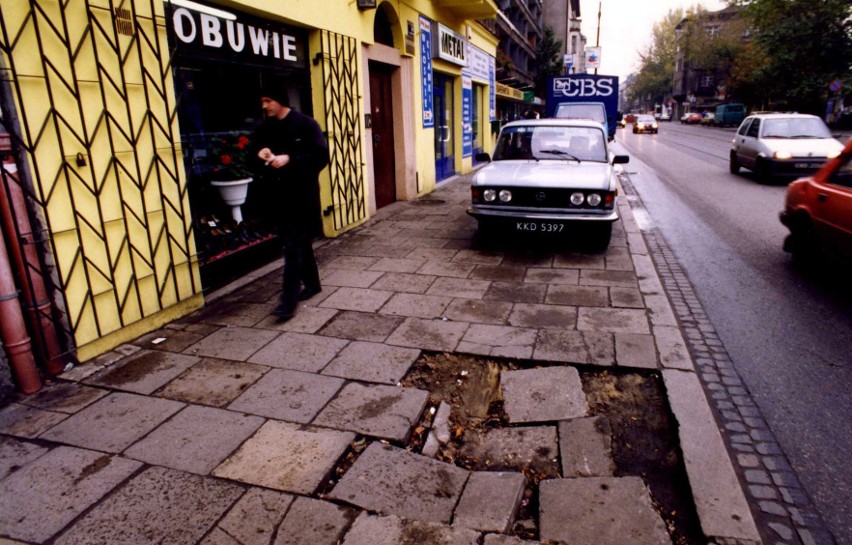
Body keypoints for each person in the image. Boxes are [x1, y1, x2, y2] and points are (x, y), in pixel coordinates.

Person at [252, 86, 329, 322]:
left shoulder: (306, 125)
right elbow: (252, 151)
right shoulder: (266, 128)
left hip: (303, 198)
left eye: (268, 100)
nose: (264, 106)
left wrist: (290, 158)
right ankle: (313, 285)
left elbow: (321, 157)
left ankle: (288, 302)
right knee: (298, 243)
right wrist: (261, 153)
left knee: (292, 247)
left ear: (281, 100)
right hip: (279, 198)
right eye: (262, 101)